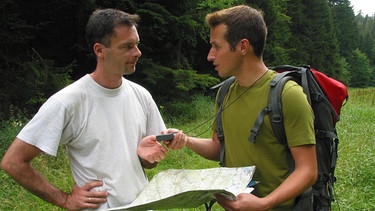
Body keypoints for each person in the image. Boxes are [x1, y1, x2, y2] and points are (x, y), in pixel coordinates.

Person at [1, 8, 184, 210]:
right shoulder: (68, 101)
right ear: (99, 50)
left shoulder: (141, 95)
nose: (137, 52)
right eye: (127, 46)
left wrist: (146, 157)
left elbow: (148, 164)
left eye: (137, 44)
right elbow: (13, 162)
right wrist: (64, 199)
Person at [167, 5, 318, 211]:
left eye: (216, 46)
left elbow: (308, 170)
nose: (210, 56)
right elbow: (219, 148)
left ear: (243, 46)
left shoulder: (287, 95)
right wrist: (185, 140)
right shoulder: (225, 91)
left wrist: (264, 203)